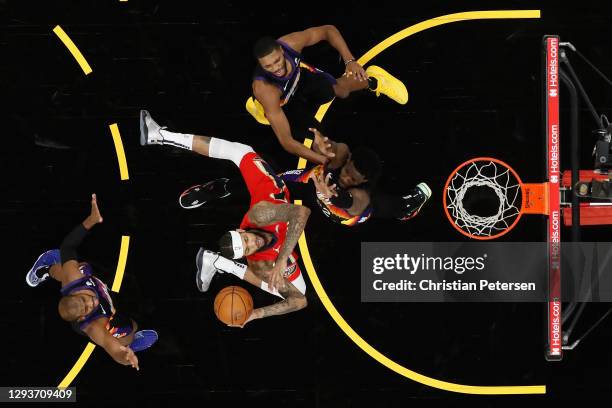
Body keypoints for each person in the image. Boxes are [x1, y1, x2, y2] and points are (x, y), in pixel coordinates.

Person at [139, 110, 311, 326]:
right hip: (278, 235)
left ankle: (162, 136)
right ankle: (219, 261)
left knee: (241, 151)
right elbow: (300, 301)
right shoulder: (259, 264)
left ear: (242, 231)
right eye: (248, 248)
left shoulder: (260, 215)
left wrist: (283, 257)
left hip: (273, 189)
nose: (253, 243)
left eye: (246, 240)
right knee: (298, 290)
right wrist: (256, 314)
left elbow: (301, 213)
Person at [26, 194, 158, 370]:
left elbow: (68, 247)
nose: (91, 301)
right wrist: (125, 356)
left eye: (84, 299)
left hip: (78, 281)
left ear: (76, 293)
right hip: (109, 323)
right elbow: (111, 348)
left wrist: (91, 220)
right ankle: (130, 344)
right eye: (87, 308)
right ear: (83, 316)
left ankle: (46, 268)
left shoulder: (74, 281)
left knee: (72, 270)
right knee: (128, 329)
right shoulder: (94, 325)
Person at [249, 25, 409, 164]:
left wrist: (349, 61)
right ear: (261, 65)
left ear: (282, 51)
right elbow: (286, 141)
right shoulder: (265, 89)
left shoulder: (291, 43)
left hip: (299, 78)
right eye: (268, 66)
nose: (276, 68)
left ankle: (374, 80)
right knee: (317, 139)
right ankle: (258, 108)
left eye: (277, 61)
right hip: (284, 102)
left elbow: (328, 30)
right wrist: (321, 160)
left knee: (340, 91)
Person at [280, 128, 431, 226]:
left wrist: (332, 196)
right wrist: (319, 143)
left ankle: (405, 207)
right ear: (348, 160)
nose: (345, 178)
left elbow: (350, 202)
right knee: (272, 179)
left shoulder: (362, 194)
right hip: (315, 183)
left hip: (343, 214)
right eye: (346, 171)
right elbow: (327, 146)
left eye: (352, 179)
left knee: (378, 205)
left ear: (363, 181)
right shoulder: (342, 154)